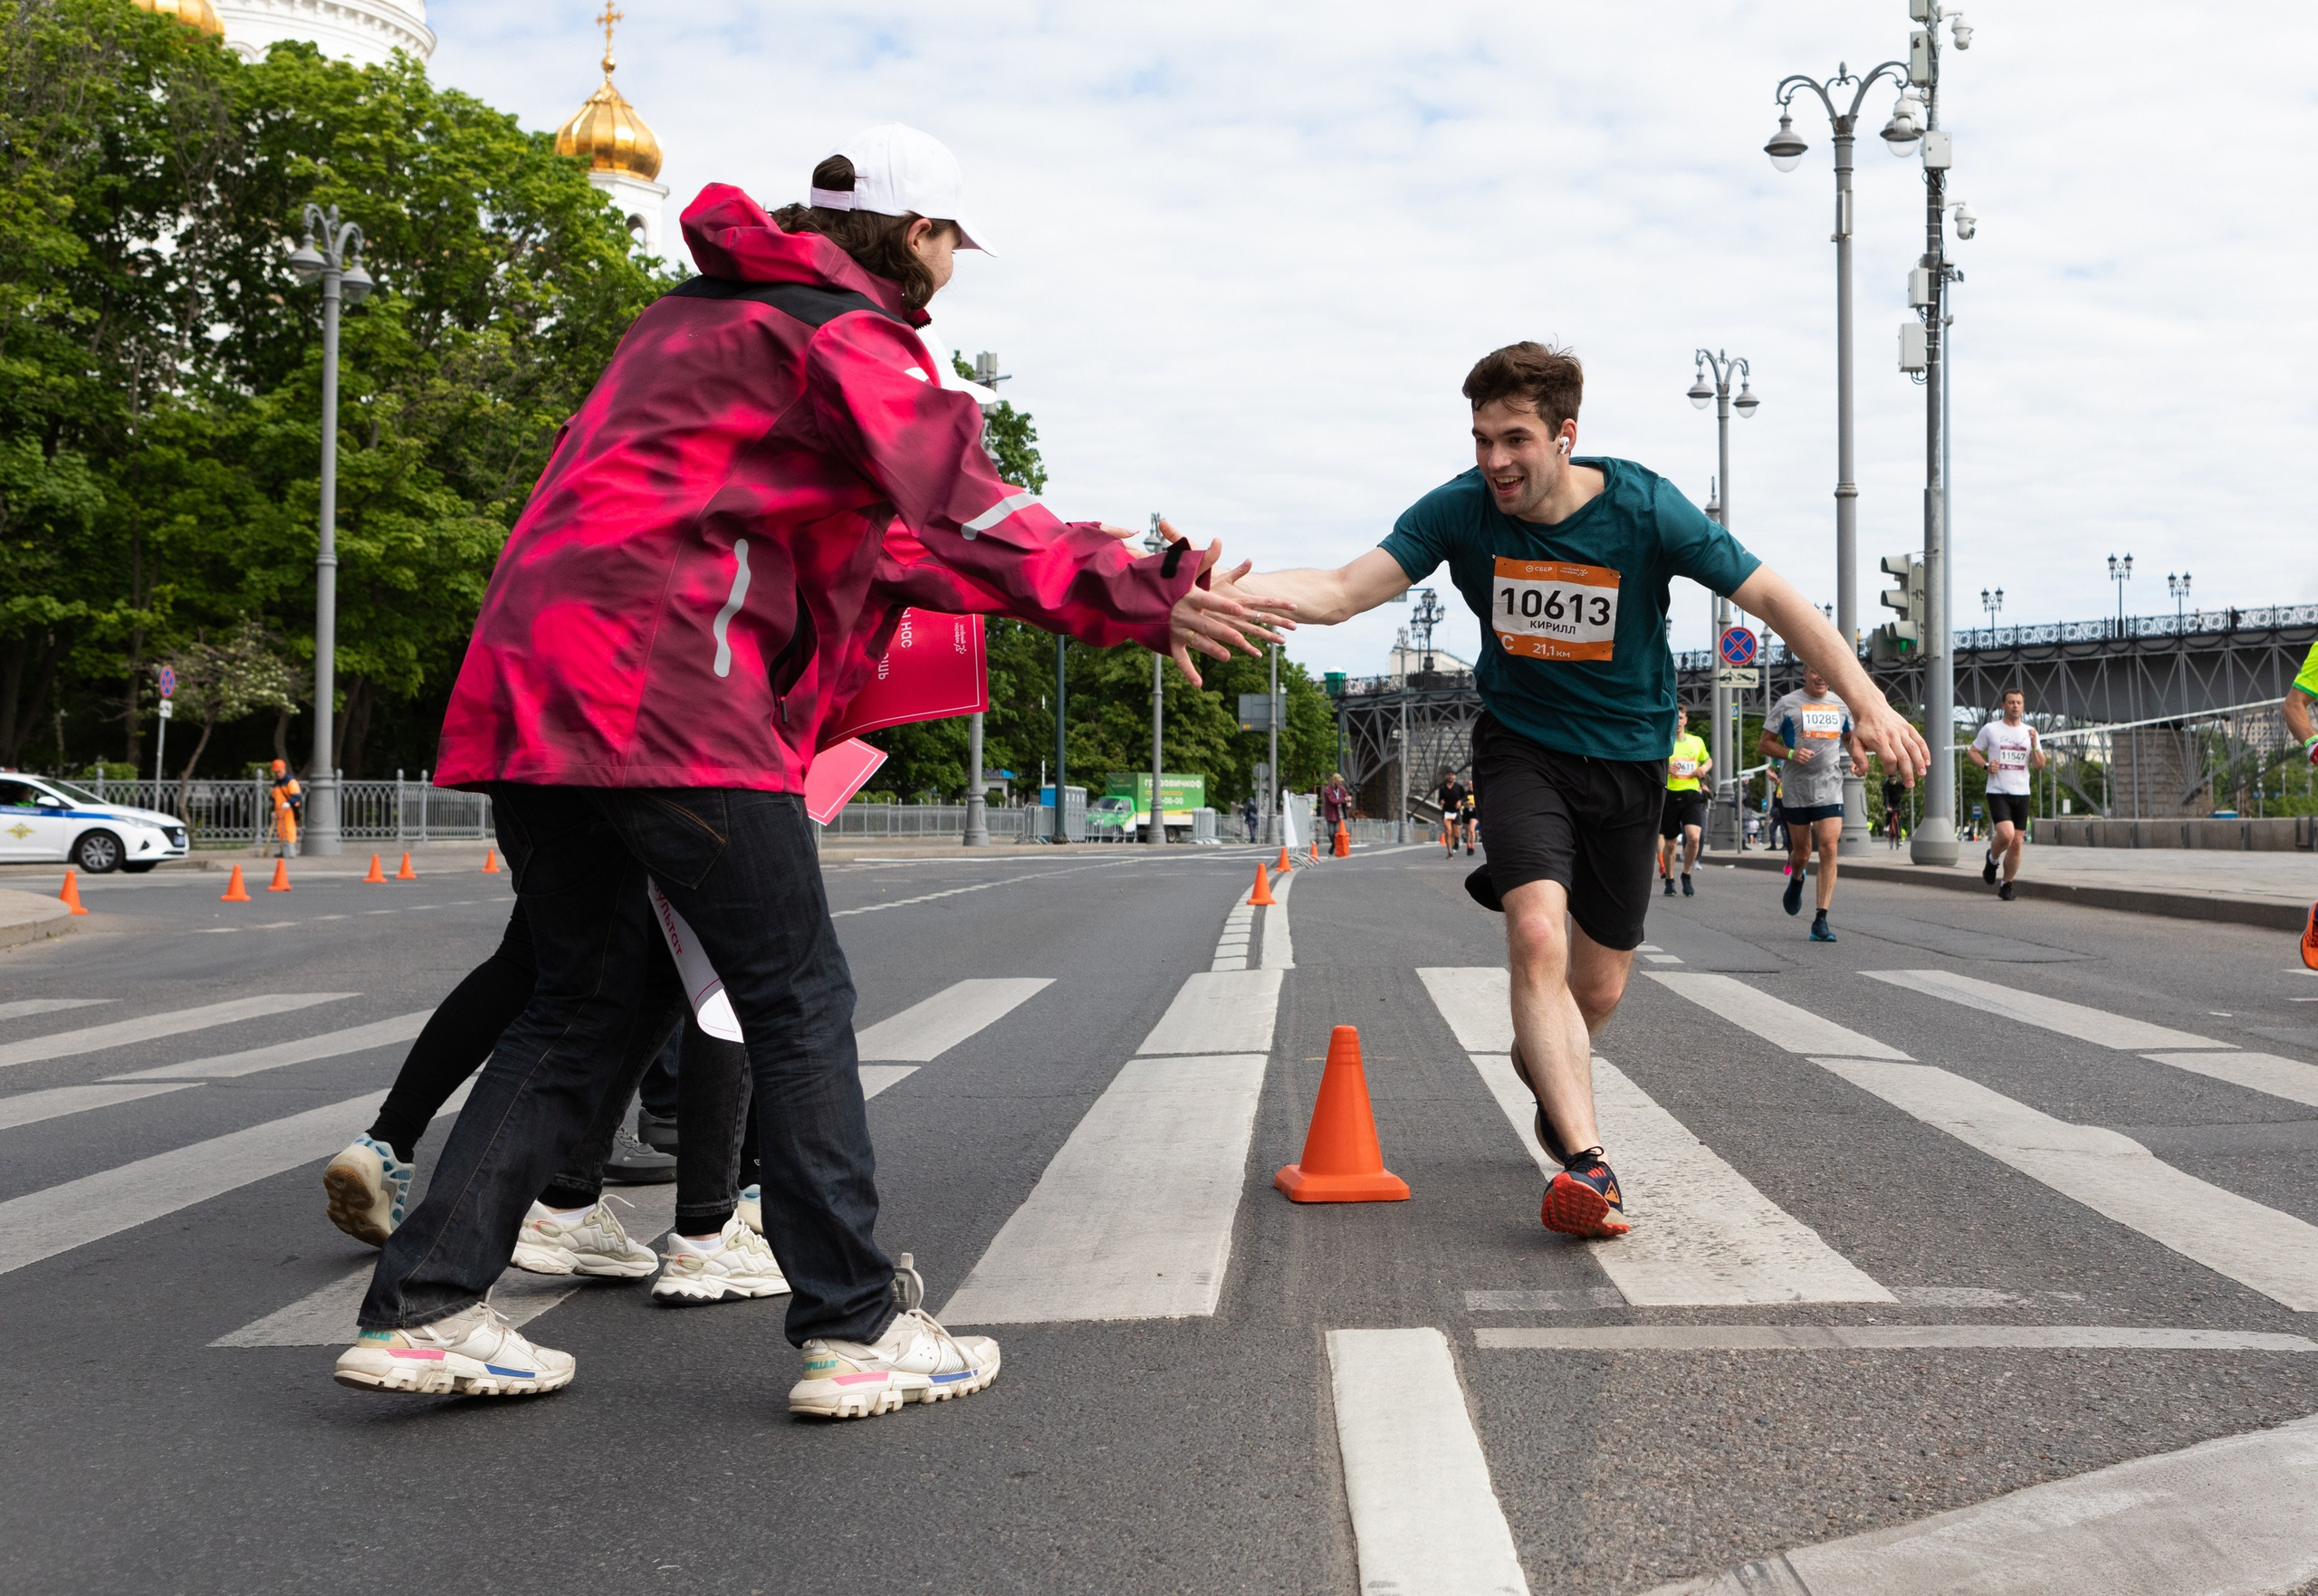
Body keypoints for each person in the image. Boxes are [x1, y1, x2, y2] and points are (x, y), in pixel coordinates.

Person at [330, 125, 1288, 1412]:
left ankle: (427, 1305)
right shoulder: (845, 335)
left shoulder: (682, 324)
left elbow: (901, 542)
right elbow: (961, 499)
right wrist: (1142, 588)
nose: (955, 267)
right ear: (915, 234)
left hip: (532, 688)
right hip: (671, 693)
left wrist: (1119, 578)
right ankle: (852, 1322)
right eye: (952, 239)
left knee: (578, 996)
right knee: (794, 995)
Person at [1237, 341, 1926, 1240]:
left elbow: (1776, 600)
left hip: (1630, 762)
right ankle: (1588, 1165)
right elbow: (1334, 590)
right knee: (1533, 933)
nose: (1493, 461)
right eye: (1480, 438)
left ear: (1566, 436)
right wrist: (1209, 585)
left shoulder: (1644, 508)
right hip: (1522, 748)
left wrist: (1867, 699)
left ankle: (1546, 1075)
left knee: (1593, 991)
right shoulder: (1461, 510)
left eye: (1513, 439)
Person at [1761, 665, 1867, 943]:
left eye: (1825, 672)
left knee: (1830, 847)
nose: (1821, 677)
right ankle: (1797, 877)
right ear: (1805, 674)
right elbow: (1765, 744)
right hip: (1796, 789)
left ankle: (1821, 918)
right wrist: (1791, 753)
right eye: (1814, 671)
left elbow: (1848, 738)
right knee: (1802, 854)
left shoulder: (1840, 706)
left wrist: (1859, 758)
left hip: (1830, 786)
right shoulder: (1787, 704)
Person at [1968, 689, 2045, 901]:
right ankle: (1992, 859)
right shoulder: (1991, 729)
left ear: (2023, 706)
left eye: (2019, 702)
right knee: (2006, 835)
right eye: (2011, 702)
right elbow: (1972, 751)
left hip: (2022, 792)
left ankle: (2006, 884)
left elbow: (2039, 765)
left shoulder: (2030, 732)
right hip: (1998, 790)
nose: (2015, 706)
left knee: (2017, 843)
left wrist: (2036, 745)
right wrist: (1985, 765)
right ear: (2003, 705)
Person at [1658, 705, 1710, 896]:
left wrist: (1703, 768)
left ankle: (1686, 875)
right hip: (1670, 795)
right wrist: (1665, 768)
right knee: (1670, 844)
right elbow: (1653, 766)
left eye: (1680, 717)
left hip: (1692, 794)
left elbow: (1708, 760)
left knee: (1694, 837)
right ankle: (1670, 880)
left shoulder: (1696, 742)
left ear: (1685, 720)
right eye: (1674, 718)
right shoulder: (1664, 743)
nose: (1678, 721)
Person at [268, 759, 302, 858]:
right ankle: (283, 851)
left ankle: (291, 852)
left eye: (279, 771)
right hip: (279, 811)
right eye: (276, 772)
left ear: (284, 770)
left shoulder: (290, 781)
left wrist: (289, 803)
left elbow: (296, 795)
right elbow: (274, 800)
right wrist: (273, 811)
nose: (277, 774)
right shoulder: (276, 784)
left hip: (289, 811)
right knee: (281, 832)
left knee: (289, 830)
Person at [1434, 767, 1470, 857]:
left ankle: (1457, 841)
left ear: (1455, 776)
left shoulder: (1459, 787)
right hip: (1446, 812)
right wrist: (1441, 802)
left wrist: (1460, 802)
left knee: (1456, 834)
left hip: (1456, 812)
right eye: (1449, 775)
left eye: (1452, 775)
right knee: (1448, 831)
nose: (1450, 776)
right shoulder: (1443, 789)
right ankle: (1450, 852)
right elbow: (1440, 799)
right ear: (1446, 776)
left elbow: (1465, 797)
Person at [1882, 769, 1907, 848]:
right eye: (1891, 780)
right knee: (1889, 813)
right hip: (1890, 802)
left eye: (1894, 780)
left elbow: (1904, 788)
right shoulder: (1886, 786)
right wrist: (1887, 806)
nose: (1893, 782)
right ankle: (1887, 825)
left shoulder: (1899, 784)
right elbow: (1886, 796)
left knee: (1898, 819)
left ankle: (1898, 835)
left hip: (1897, 802)